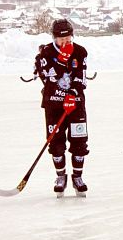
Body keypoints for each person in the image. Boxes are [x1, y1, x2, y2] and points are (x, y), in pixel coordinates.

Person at [34, 19, 89, 197]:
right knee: (56, 144)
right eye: (61, 39)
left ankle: (77, 177)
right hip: (54, 105)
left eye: (68, 38)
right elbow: (47, 78)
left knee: (79, 142)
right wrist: (61, 61)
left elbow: (81, 75)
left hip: (76, 106)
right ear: (54, 38)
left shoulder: (80, 52)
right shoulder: (46, 54)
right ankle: (60, 176)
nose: (65, 42)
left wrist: (72, 94)